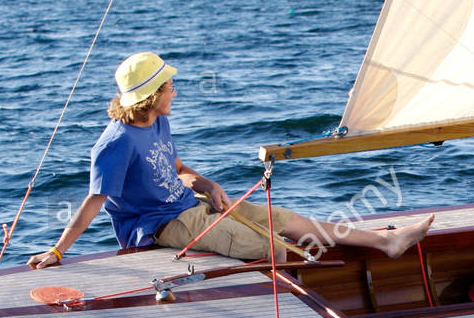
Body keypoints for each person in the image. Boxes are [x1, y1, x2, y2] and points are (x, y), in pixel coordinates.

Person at [28, 52, 432, 269]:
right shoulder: (114, 144)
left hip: (193, 206)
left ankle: (387, 240)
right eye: (170, 87)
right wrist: (59, 251)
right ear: (151, 95)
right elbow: (94, 203)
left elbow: (177, 170)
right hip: (162, 226)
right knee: (274, 249)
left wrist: (208, 186)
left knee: (288, 221)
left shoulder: (157, 123)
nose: (176, 93)